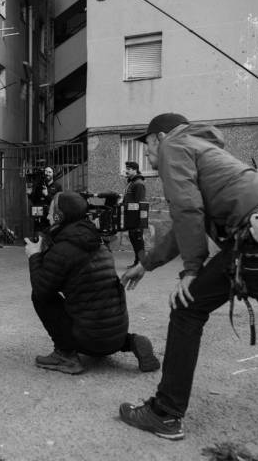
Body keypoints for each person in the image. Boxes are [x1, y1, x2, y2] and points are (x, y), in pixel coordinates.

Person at [119, 113, 258, 441]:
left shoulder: (174, 146)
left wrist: (192, 270)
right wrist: (147, 263)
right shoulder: (202, 149)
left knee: (187, 308)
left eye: (148, 146)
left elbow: (186, 208)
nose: (149, 156)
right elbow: (185, 222)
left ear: (160, 137)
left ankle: (164, 414)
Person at [24, 190, 161, 375]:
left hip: (89, 341)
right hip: (117, 335)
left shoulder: (64, 248)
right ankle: (132, 341)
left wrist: (35, 256)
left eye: (50, 211)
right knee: (95, 305)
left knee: (40, 297)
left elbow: (42, 289)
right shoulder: (98, 241)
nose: (47, 215)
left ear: (59, 216)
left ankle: (65, 355)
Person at [124, 161, 146, 267]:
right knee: (133, 238)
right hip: (131, 217)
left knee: (138, 240)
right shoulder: (132, 182)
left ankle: (141, 263)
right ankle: (138, 262)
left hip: (136, 218)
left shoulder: (138, 184)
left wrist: (139, 222)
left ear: (134, 170)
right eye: (126, 169)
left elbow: (140, 203)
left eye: (128, 169)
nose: (126, 171)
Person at [29, 166, 63, 235]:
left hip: (51, 214)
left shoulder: (58, 186)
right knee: (38, 234)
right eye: (46, 172)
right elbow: (34, 201)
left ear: (53, 174)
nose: (47, 173)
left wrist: (47, 195)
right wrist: (29, 194)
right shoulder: (38, 185)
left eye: (49, 172)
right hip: (39, 213)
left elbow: (58, 201)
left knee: (50, 234)